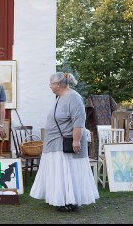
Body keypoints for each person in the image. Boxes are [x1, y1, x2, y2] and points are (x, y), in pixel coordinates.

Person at [30, 72, 99, 212]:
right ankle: (62, 199)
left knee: (68, 172)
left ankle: (69, 201)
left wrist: (76, 141)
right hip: (55, 144)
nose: (49, 85)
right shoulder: (60, 98)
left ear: (58, 84)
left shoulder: (73, 98)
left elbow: (79, 122)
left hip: (66, 143)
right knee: (60, 173)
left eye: (51, 83)